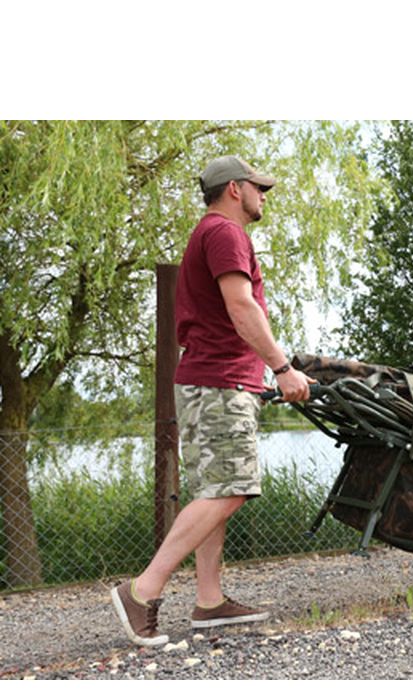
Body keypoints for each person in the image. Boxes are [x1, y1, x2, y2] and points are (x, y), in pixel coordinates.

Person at [111, 156, 312, 646]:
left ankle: (209, 600)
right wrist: (281, 368)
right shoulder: (225, 233)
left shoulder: (208, 233)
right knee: (231, 489)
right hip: (221, 382)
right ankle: (142, 590)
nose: (264, 195)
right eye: (258, 187)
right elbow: (241, 305)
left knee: (213, 491)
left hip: (208, 380)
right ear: (235, 189)